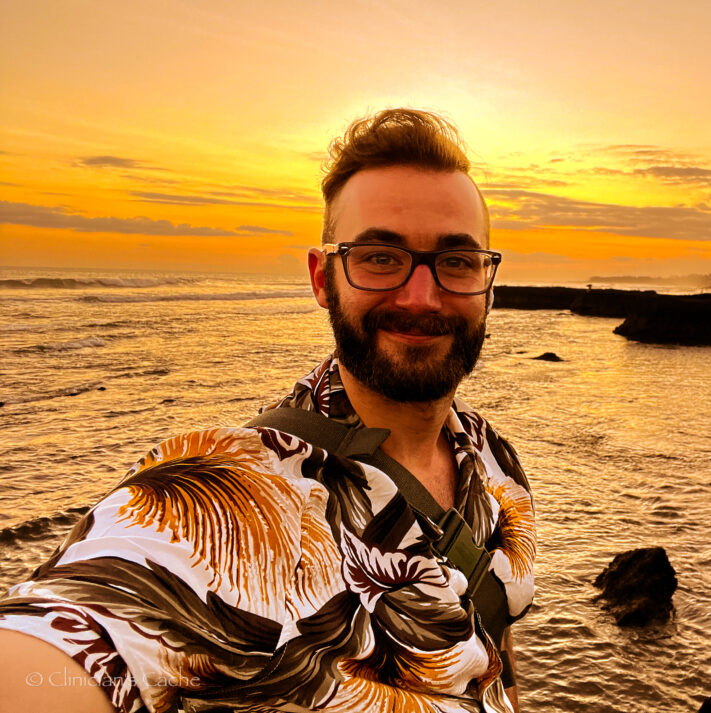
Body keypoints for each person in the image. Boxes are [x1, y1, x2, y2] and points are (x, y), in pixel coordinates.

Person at [0, 109, 536, 713]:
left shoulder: (495, 460)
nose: (421, 295)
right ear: (321, 278)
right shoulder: (234, 497)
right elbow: (66, 638)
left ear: (487, 284)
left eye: (457, 261)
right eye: (379, 257)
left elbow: (492, 640)